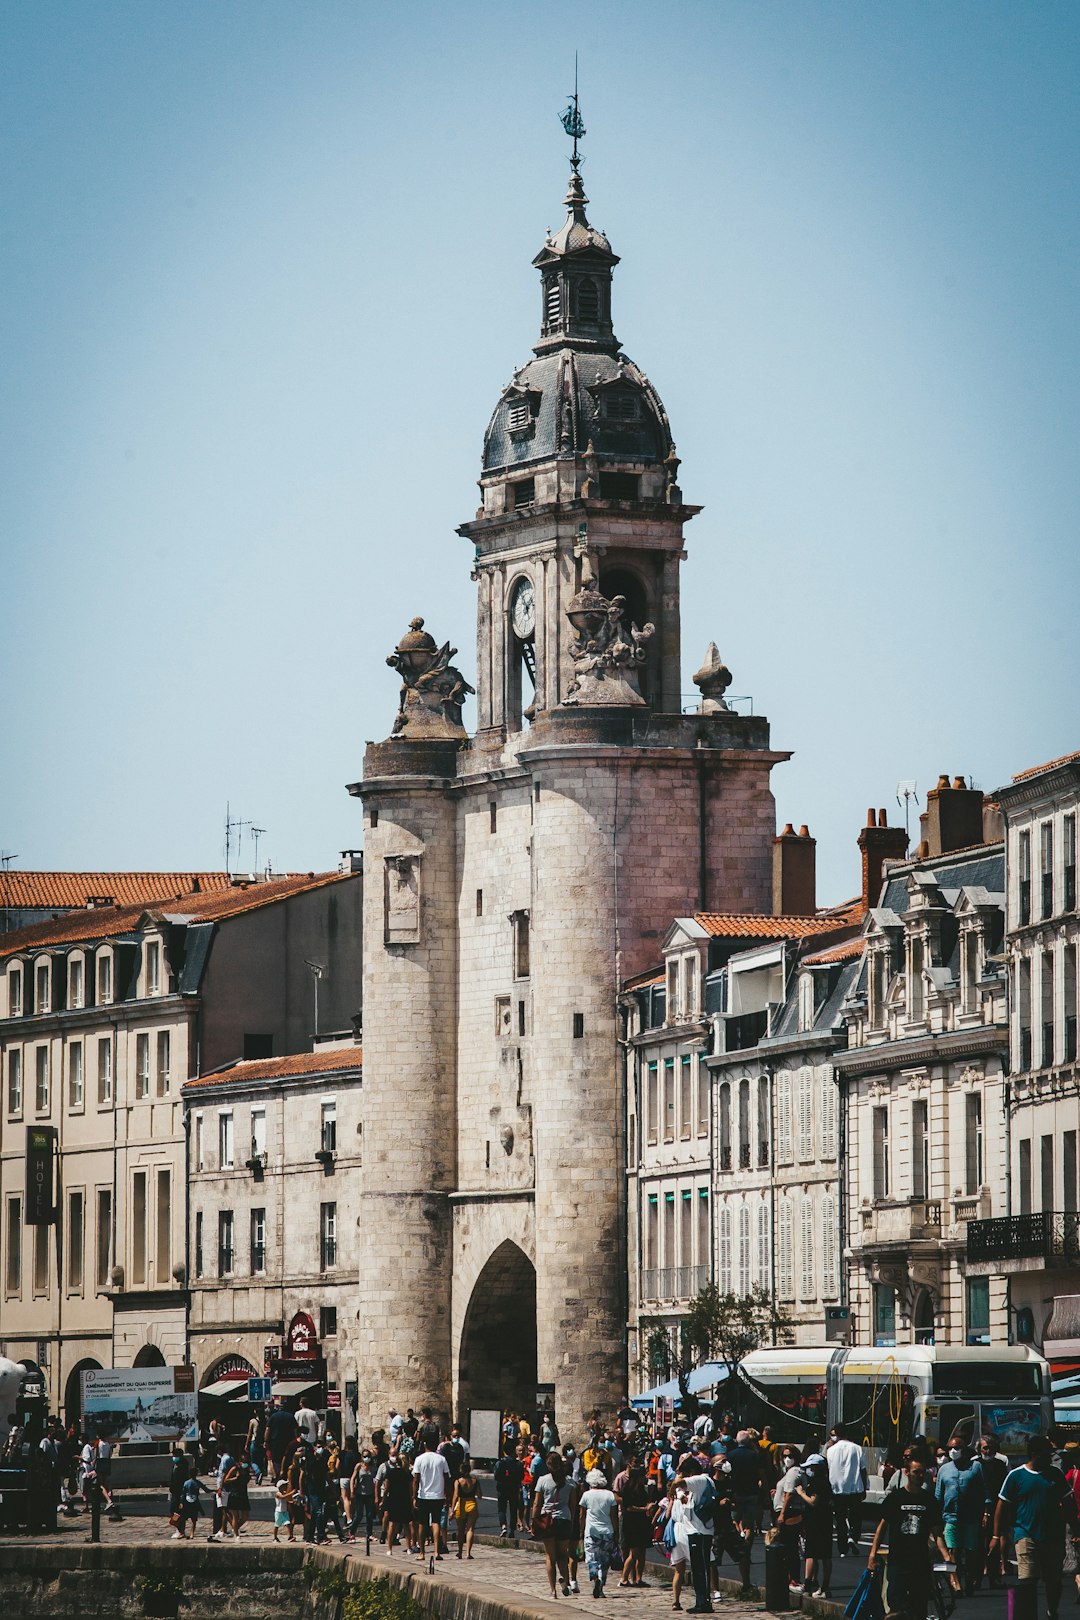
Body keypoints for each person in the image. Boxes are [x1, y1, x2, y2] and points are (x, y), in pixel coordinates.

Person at [992, 1434, 1072, 1620]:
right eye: (1047, 1453)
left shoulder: (1055, 1474)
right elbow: (1001, 1505)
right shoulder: (1016, 1476)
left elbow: (1068, 1502)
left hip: (1052, 1536)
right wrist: (996, 1536)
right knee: (1027, 1580)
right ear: (1035, 1454)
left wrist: (1075, 1530)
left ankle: (1052, 1611)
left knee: (1054, 1581)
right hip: (1025, 1534)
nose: (1050, 1457)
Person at [867, 1455, 951, 1620]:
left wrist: (947, 1556)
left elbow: (937, 1533)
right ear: (906, 1472)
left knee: (919, 1607)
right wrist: (872, 1554)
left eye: (922, 1472)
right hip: (898, 1561)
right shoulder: (895, 1498)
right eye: (916, 1472)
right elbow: (881, 1528)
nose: (920, 1476)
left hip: (920, 1563)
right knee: (897, 1607)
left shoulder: (929, 1501)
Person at [934, 1437, 984, 1595]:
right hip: (950, 1516)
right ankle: (955, 1581)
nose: (953, 1451)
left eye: (956, 1448)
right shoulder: (944, 1469)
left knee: (971, 1551)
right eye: (950, 1448)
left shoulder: (975, 1467)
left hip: (971, 1516)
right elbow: (938, 1495)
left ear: (963, 1449)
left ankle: (969, 1578)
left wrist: (986, 1513)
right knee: (953, 1550)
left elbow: (984, 1492)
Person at [532, 1451, 580, 1598]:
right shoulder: (571, 1483)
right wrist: (572, 1523)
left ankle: (553, 1590)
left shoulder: (543, 1480)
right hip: (564, 1520)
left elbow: (537, 1504)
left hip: (548, 1520)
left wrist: (534, 1521)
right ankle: (565, 1581)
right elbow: (573, 1507)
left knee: (550, 1556)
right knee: (562, 1555)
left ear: (548, 1464)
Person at [674, 1455, 716, 1615]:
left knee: (700, 1569)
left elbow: (677, 1483)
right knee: (700, 1568)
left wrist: (673, 1486)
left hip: (699, 1532)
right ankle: (702, 1600)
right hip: (700, 1530)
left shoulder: (699, 1480)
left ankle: (703, 1602)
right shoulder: (705, 1481)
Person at [826, 1423, 867, 1556]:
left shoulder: (830, 1450)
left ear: (836, 1434)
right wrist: (864, 1487)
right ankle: (853, 1537)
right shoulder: (857, 1448)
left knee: (840, 1520)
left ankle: (842, 1549)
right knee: (856, 1516)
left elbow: (828, 1469)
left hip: (837, 1489)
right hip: (854, 1488)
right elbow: (863, 1469)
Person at [580, 1467, 620, 1598]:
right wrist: (616, 1533)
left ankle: (594, 1577)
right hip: (607, 1531)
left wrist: (581, 1531)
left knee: (592, 1559)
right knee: (605, 1561)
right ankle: (601, 1586)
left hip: (592, 1531)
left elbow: (582, 1515)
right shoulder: (610, 1495)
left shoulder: (586, 1495)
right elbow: (614, 1516)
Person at [614, 1457, 653, 1587]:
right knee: (633, 1552)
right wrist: (645, 1509)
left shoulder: (642, 1489)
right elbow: (629, 1507)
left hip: (642, 1522)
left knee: (642, 1552)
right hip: (631, 1522)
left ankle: (638, 1578)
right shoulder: (628, 1489)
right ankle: (624, 1578)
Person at [976, 1433, 1008, 1589]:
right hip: (977, 1509)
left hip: (997, 1508)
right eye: (985, 1448)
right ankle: (977, 1574)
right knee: (978, 1544)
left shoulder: (1000, 1465)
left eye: (991, 1448)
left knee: (994, 1542)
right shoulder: (974, 1464)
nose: (988, 1451)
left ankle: (994, 1576)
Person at [412, 1435, 451, 1562]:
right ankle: (436, 1551)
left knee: (422, 1523)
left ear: (424, 1445)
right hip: (438, 1495)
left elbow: (416, 1480)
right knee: (436, 1522)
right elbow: (446, 1478)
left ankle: (422, 1552)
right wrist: (447, 1495)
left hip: (423, 1495)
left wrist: (414, 1496)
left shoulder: (419, 1459)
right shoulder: (442, 1459)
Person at [381, 1451, 415, 1555]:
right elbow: (410, 1489)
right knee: (406, 1525)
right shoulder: (407, 1474)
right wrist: (412, 1500)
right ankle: (409, 1547)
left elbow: (386, 1488)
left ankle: (389, 1548)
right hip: (404, 1500)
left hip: (393, 1499)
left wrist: (383, 1500)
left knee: (392, 1524)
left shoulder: (390, 1473)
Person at [451, 1459, 481, 1559]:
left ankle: (460, 1551)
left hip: (461, 1504)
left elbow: (455, 1496)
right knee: (470, 1529)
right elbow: (480, 1495)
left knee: (460, 1530)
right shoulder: (475, 1481)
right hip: (472, 1503)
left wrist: (452, 1509)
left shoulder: (458, 1482)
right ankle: (468, 1552)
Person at [495, 1442, 524, 1537]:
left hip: (502, 1488)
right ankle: (512, 1529)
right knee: (513, 1509)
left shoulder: (500, 1462)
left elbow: (496, 1476)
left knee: (502, 1509)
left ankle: (503, 1526)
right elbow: (521, 1476)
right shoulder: (518, 1464)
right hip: (514, 1488)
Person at [175, 1465, 211, 1540]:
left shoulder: (186, 1483)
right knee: (194, 1519)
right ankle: (192, 1533)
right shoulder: (197, 1483)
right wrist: (215, 1490)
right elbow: (206, 1490)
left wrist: (181, 1503)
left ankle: (182, 1532)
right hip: (195, 1502)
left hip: (186, 1502)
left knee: (184, 1518)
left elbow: (183, 1494)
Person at [350, 1451, 377, 1544]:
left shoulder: (373, 1468)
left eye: (368, 1456)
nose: (367, 1458)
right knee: (359, 1515)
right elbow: (353, 1478)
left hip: (369, 1493)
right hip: (360, 1493)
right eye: (365, 1456)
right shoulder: (359, 1466)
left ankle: (369, 1534)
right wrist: (352, 1491)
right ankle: (351, 1532)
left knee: (369, 1515)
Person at [267, 1400, 298, 1478]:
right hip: (288, 1441)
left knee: (276, 1459)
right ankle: (286, 1475)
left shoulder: (273, 1416)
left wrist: (266, 1440)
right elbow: (295, 1430)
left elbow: (268, 1429)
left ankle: (278, 1475)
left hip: (275, 1441)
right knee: (288, 1458)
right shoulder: (291, 1416)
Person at [273, 1474, 297, 1542]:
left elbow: (286, 1499)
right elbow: (283, 1497)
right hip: (279, 1512)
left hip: (284, 1511)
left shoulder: (284, 1493)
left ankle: (290, 1536)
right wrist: (291, 1493)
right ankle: (275, 1537)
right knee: (277, 1525)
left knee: (288, 1523)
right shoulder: (278, 1493)